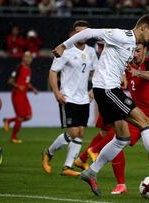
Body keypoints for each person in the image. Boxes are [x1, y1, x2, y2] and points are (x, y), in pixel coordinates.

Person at [52, 14, 149, 196]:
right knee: (145, 121)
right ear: (143, 27)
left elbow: (114, 60)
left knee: (122, 137)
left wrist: (121, 73)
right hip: (107, 89)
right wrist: (64, 45)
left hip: (107, 89)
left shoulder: (131, 44)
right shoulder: (120, 35)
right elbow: (90, 32)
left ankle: (91, 172)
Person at [75, 43, 149, 195]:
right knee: (119, 139)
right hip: (136, 115)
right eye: (133, 51)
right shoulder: (126, 65)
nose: (135, 54)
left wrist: (137, 73)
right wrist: (97, 89)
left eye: (138, 51)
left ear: (145, 51)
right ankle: (120, 184)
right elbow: (112, 80)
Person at [42, 20, 98, 177]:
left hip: (84, 98)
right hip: (68, 97)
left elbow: (96, 72)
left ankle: (67, 167)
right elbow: (53, 72)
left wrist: (93, 90)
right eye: (78, 32)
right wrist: (56, 92)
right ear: (73, 34)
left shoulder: (91, 52)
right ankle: (48, 152)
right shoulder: (65, 50)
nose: (81, 35)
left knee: (80, 133)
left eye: (84, 32)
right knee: (73, 132)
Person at [3, 51, 38, 144]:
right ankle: (13, 137)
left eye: (30, 57)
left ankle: (8, 120)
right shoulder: (19, 67)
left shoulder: (29, 69)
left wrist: (33, 88)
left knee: (28, 116)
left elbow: (26, 82)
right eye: (26, 57)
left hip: (24, 95)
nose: (28, 59)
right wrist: (18, 86)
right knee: (20, 117)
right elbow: (10, 80)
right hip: (17, 94)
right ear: (23, 58)